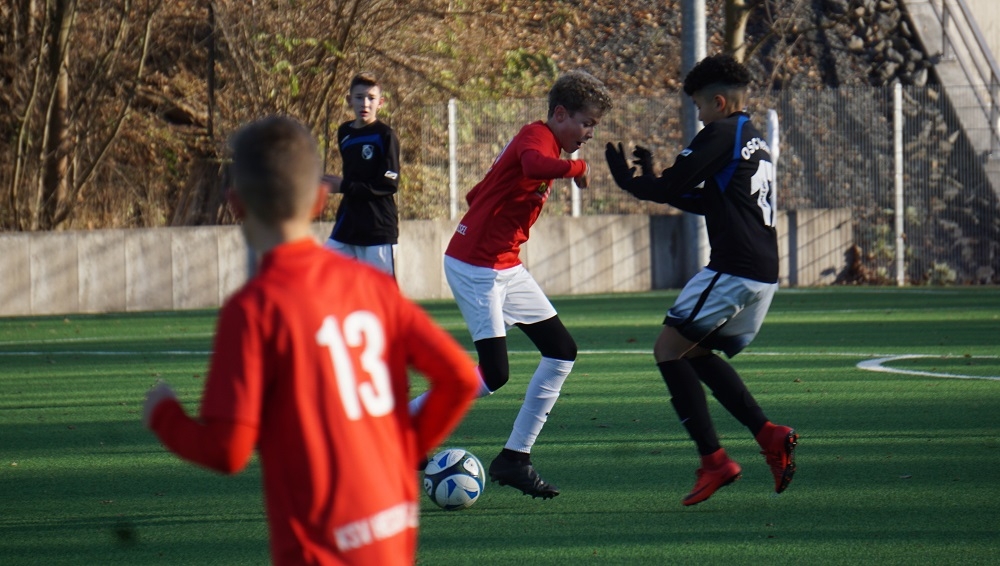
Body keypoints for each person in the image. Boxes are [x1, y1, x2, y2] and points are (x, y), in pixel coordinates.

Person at [143, 115, 479, 565]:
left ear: (235, 204)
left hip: (319, 547)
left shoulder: (254, 309)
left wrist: (164, 415)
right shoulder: (372, 287)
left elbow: (228, 450)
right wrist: (403, 452)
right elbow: (459, 377)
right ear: (321, 200)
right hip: (390, 525)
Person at [409, 71, 613, 499]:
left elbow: (478, 194)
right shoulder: (537, 136)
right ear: (560, 114)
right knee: (494, 374)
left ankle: (515, 458)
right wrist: (577, 168)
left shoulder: (544, 141)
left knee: (561, 351)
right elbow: (533, 165)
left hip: (503, 264)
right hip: (476, 265)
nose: (590, 133)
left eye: (594, 126)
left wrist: (491, 207)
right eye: (587, 123)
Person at [605, 54, 797, 506]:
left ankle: (714, 460)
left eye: (699, 107)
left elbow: (674, 186)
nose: (699, 117)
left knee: (667, 350)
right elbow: (703, 199)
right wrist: (651, 182)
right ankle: (768, 434)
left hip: (734, 268)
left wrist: (634, 182)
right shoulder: (752, 139)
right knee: (692, 351)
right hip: (762, 274)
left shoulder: (721, 133)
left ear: (719, 102)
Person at [322, 72, 401, 276]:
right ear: (349, 100)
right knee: (322, 275)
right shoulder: (345, 132)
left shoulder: (385, 135)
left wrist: (343, 186)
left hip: (377, 227)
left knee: (380, 292)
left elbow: (388, 185)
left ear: (380, 103)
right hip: (348, 225)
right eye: (359, 97)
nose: (365, 103)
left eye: (371, 98)